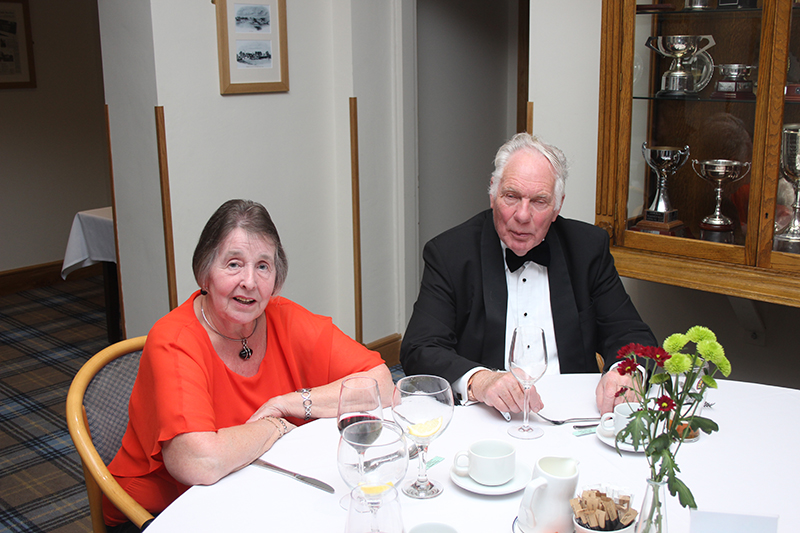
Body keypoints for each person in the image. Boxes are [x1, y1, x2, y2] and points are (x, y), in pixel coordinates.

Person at [103, 199, 393, 531]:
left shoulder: (284, 317)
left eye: (263, 266)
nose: (250, 282)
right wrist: (275, 426)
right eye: (234, 264)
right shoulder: (174, 340)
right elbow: (197, 462)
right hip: (162, 509)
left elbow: (382, 386)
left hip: (250, 483)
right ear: (205, 272)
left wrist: (289, 403)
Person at [400, 133, 656, 419]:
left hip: (575, 413)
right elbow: (420, 348)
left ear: (557, 207)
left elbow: (630, 333)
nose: (522, 215)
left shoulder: (587, 249)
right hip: (485, 415)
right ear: (493, 195)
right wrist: (480, 381)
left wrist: (625, 371)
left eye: (539, 201)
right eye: (511, 196)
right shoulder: (450, 253)